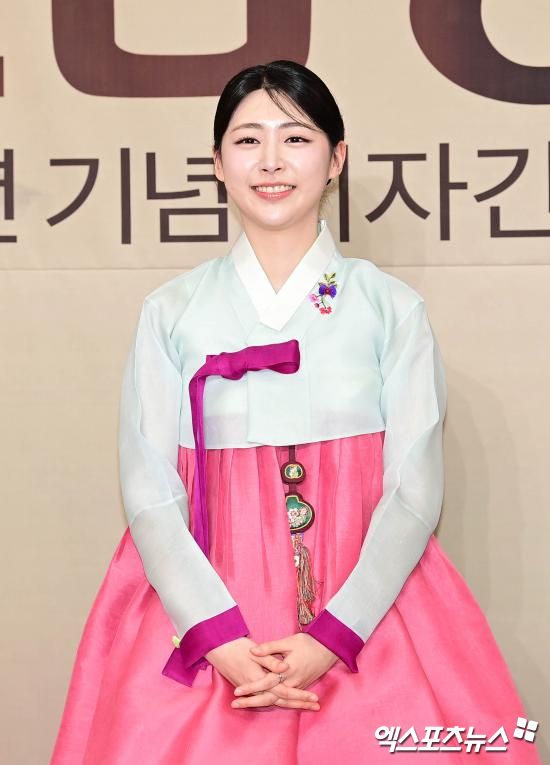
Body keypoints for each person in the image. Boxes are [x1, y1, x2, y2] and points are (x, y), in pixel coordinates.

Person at [49, 60, 542, 764]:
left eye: (297, 138)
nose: (271, 161)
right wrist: (215, 634)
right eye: (248, 140)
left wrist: (334, 635)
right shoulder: (171, 313)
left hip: (369, 609)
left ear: (337, 158)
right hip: (206, 615)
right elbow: (149, 491)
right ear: (217, 162)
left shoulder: (389, 309)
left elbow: (414, 491)